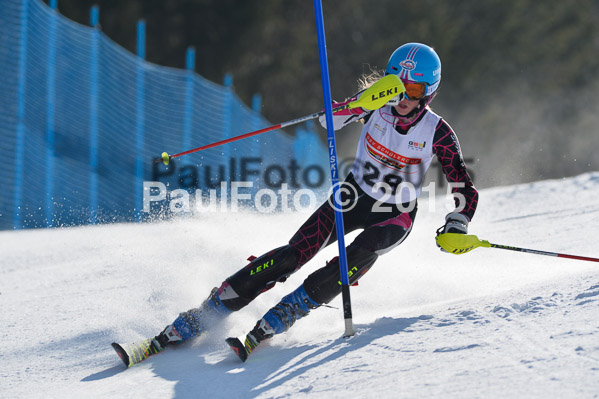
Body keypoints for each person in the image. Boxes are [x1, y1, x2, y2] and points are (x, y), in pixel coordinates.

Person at [112, 42, 478, 366]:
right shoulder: (375, 108)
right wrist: (359, 104)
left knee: (361, 252)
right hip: (353, 194)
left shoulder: (437, 131)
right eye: (395, 85)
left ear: (428, 91)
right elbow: (326, 120)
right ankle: (207, 311)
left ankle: (292, 308)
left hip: (394, 212)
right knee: (294, 253)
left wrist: (458, 220)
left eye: (412, 88)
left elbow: (463, 182)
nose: (402, 98)